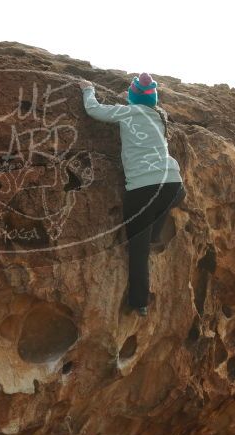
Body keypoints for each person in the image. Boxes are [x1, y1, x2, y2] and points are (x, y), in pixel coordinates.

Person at [78, 73, 185, 317]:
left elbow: (93, 110)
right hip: (173, 183)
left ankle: (139, 302)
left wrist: (87, 89)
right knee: (171, 199)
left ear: (132, 97)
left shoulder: (128, 112)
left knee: (138, 250)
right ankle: (154, 233)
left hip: (142, 189)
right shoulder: (160, 115)